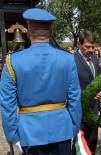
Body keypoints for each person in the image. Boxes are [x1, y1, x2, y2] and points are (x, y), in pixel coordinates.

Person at [0, 8, 82, 155]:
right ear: (50, 32)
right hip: (62, 131)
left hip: (29, 134)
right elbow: (75, 100)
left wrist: (13, 137)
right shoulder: (68, 59)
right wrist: (73, 129)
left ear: (28, 32)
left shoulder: (12, 61)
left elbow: (7, 105)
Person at [73, 30, 101, 154]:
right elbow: (71, 87)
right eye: (87, 47)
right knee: (80, 147)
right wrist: (88, 94)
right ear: (79, 45)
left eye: (93, 47)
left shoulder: (95, 59)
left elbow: (100, 78)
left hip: (94, 111)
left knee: (92, 143)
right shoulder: (72, 60)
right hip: (79, 111)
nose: (90, 50)